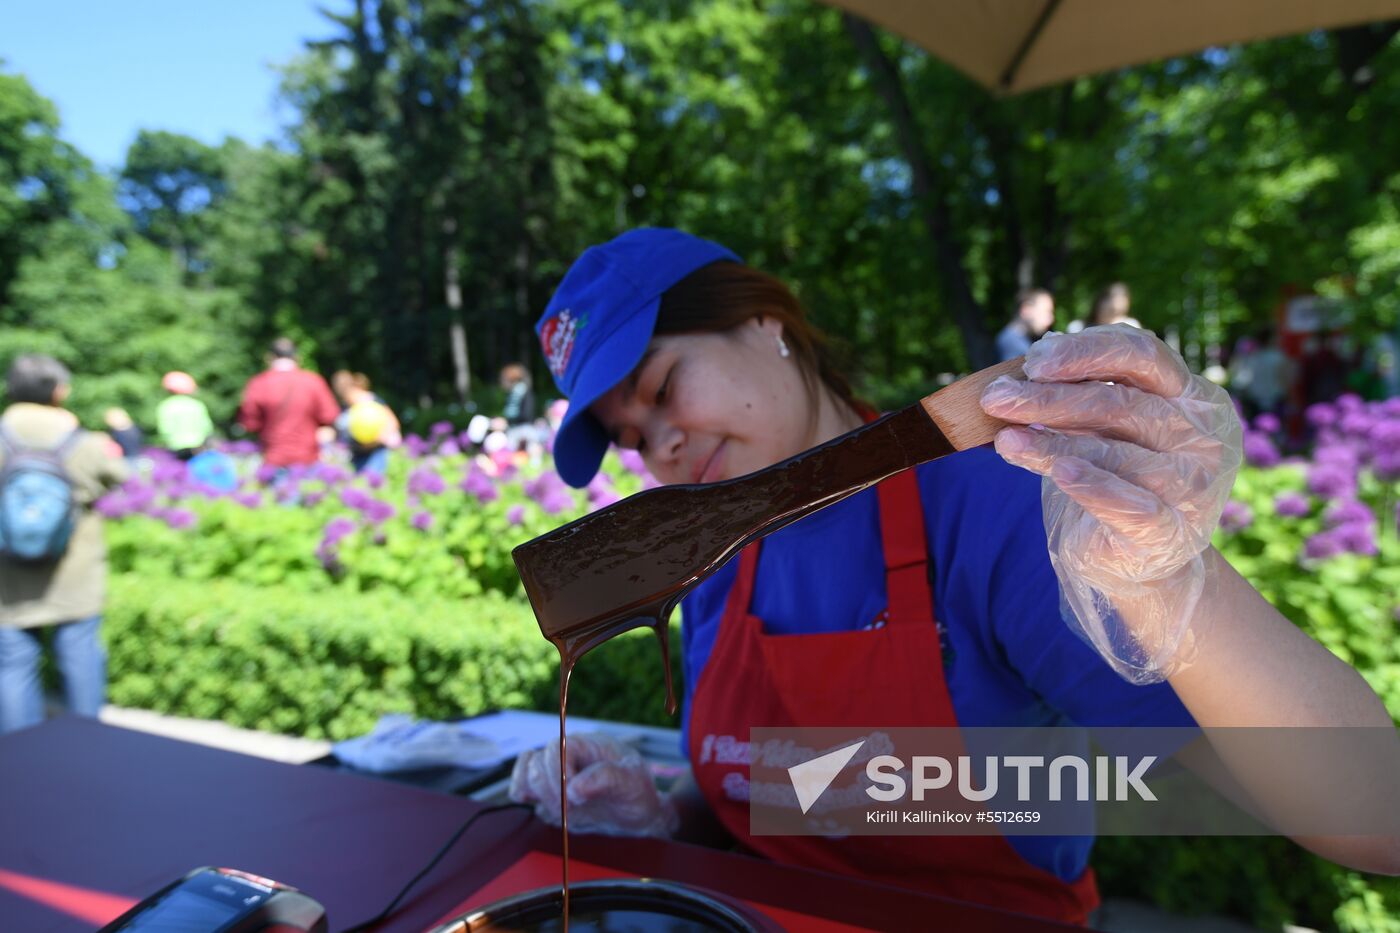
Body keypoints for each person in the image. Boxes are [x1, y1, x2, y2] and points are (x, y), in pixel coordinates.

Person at [509, 229, 1400, 924]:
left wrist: (1172, 579)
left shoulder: (993, 508)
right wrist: (661, 813)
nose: (656, 444)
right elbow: (764, 784)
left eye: (663, 387)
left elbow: (1372, 807)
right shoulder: (709, 558)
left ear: (765, 322)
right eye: (629, 437)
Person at [0, 355, 128, 733]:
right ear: (59, 392)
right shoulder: (79, 440)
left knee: (13, 663)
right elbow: (118, 477)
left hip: (8, 575)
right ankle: (84, 748)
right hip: (73, 569)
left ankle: (17, 760)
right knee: (80, 653)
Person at [237, 338, 339, 473]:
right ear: (297, 357)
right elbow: (330, 415)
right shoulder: (313, 381)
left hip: (273, 459)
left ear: (269, 357)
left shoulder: (258, 383)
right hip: (308, 458)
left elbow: (250, 423)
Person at [331, 371, 401, 475]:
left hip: (377, 453)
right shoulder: (345, 409)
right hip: (357, 456)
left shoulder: (371, 400)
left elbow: (393, 422)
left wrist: (376, 440)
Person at [156, 371, 215, 460]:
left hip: (176, 446)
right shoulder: (197, 405)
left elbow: (165, 429)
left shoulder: (165, 406)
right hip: (198, 446)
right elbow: (207, 427)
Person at [995, 287, 1055, 361]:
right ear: (1026, 310)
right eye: (1046, 312)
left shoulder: (1016, 339)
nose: (1050, 320)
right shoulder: (1012, 344)